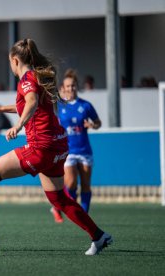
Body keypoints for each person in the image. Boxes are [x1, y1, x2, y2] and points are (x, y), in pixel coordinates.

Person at [0, 38, 112, 255]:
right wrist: (1, 109)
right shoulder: (38, 76)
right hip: (58, 145)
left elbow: (32, 102)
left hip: (41, 146)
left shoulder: (26, 79)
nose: (10, 66)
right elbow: (29, 104)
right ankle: (99, 236)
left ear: (15, 60)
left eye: (10, 62)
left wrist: (18, 126)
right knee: (59, 198)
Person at [50, 69, 102, 224]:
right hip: (68, 151)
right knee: (71, 182)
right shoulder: (59, 106)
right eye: (68, 86)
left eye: (73, 85)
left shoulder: (86, 106)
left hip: (85, 150)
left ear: (76, 87)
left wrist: (92, 125)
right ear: (63, 88)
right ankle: (65, 208)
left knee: (86, 186)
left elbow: (98, 122)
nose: (71, 88)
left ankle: (83, 216)